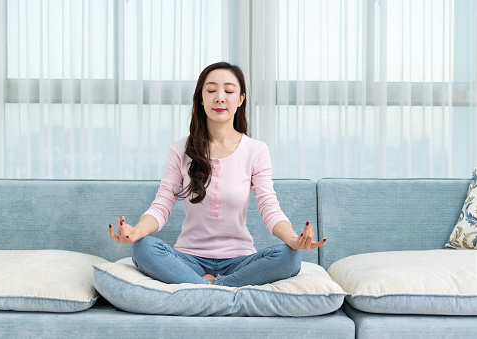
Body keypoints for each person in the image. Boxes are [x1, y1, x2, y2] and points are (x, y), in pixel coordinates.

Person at [108, 62, 326, 287]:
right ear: (201, 99)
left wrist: (292, 239)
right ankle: (222, 287)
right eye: (211, 90)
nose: (220, 98)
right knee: (143, 248)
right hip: (188, 258)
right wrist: (136, 232)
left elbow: (269, 206)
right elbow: (162, 204)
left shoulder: (256, 150)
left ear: (240, 99)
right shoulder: (180, 149)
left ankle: (208, 287)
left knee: (290, 257)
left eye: (229, 91)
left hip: (239, 260)